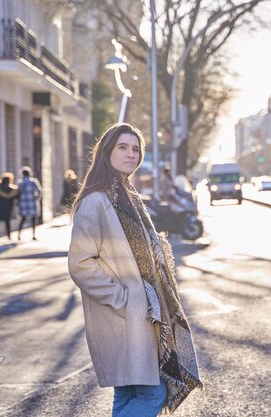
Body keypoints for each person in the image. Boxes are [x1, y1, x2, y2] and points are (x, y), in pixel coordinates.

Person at [67, 123, 202, 416]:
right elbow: (80, 263)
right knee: (154, 392)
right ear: (107, 151)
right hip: (123, 315)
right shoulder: (97, 201)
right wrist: (123, 299)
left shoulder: (127, 197)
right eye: (123, 147)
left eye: (136, 149)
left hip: (137, 315)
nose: (131, 154)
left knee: (128, 393)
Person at [0, 172, 19, 240]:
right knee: (7, 222)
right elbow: (16, 196)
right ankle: (8, 235)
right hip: (7, 208)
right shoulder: (12, 189)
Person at [16, 166, 42, 240]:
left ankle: (19, 235)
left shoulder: (20, 182)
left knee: (23, 219)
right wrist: (37, 198)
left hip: (23, 203)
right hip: (32, 203)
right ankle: (33, 235)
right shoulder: (33, 181)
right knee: (33, 219)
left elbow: (17, 193)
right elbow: (39, 191)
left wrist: (18, 201)